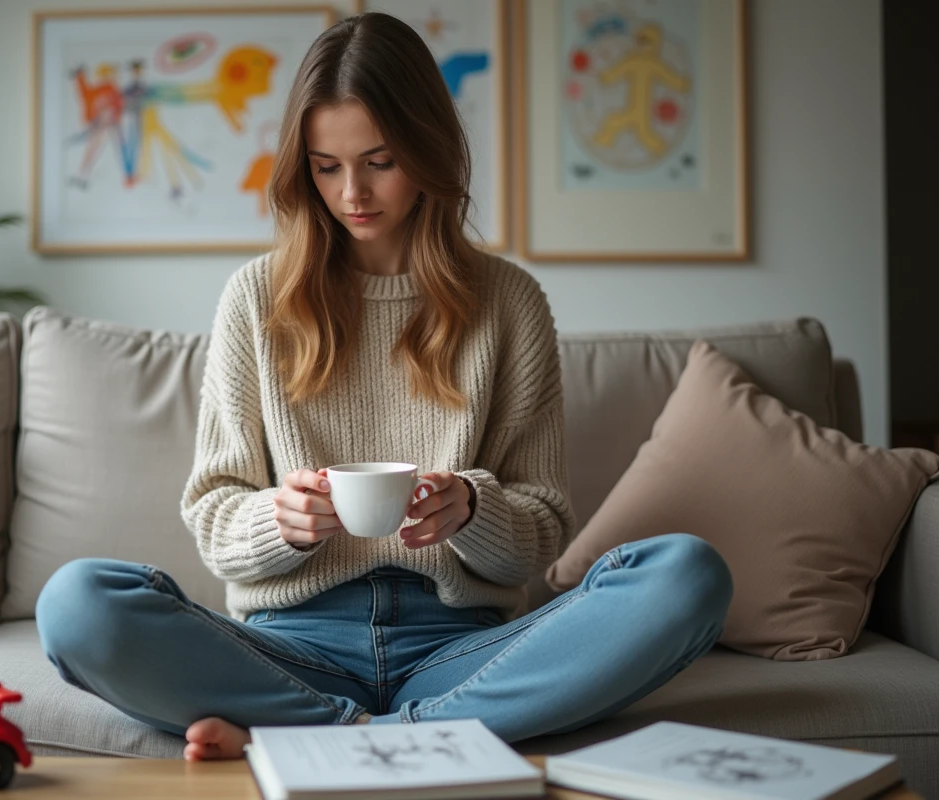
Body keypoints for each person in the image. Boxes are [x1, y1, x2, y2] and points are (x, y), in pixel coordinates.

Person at [35, 12, 733, 761]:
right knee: (77, 603)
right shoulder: (255, 299)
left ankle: (335, 736)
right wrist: (281, 521)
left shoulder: (509, 301)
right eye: (326, 166)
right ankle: (405, 735)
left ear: (428, 151)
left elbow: (545, 528)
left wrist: (472, 508)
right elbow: (212, 516)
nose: (352, 192)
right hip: (289, 647)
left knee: (687, 576)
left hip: (465, 646)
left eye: (380, 161)